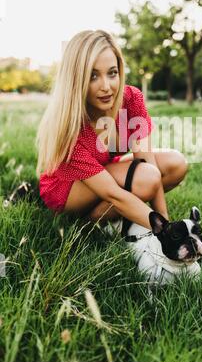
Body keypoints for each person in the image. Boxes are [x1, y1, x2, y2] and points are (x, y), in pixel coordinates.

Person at [35, 30, 188, 230]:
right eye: (93, 76)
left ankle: (119, 216)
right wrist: (164, 230)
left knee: (175, 163)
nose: (106, 86)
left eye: (112, 73)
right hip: (68, 189)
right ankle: (89, 222)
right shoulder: (68, 127)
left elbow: (149, 165)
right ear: (75, 80)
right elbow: (113, 193)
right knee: (145, 178)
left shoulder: (131, 99)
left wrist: (164, 220)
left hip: (108, 170)